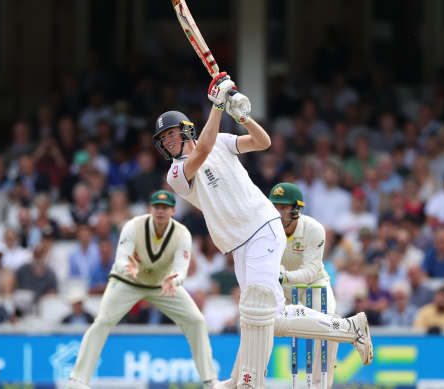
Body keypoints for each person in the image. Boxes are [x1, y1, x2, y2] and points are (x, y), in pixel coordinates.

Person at [152, 73, 372, 389]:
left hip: (261, 227)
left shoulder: (222, 141)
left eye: (173, 134)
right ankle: (350, 328)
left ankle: (248, 382)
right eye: (165, 140)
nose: (169, 142)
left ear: (187, 130)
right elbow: (201, 153)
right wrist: (217, 106)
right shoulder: (175, 174)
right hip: (238, 242)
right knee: (267, 316)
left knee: (256, 306)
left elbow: (262, 142)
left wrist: (242, 117)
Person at [66, 190, 218, 389]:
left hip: (161, 285)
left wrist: (176, 280)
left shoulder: (182, 234)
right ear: (150, 209)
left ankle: (210, 381)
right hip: (127, 282)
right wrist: (127, 267)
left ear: (173, 210)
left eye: (164, 208)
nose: (160, 211)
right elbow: (121, 258)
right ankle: (77, 380)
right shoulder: (133, 226)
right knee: (103, 321)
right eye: (156, 207)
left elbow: (181, 269)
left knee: (196, 320)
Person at [268, 182, 338, 389]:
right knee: (258, 321)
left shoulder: (313, 229)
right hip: (281, 288)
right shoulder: (266, 229)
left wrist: (282, 276)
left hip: (313, 284)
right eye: (275, 207)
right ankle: (250, 379)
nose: (279, 213)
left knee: (329, 322)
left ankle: (319, 385)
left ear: (296, 208)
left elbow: (309, 271)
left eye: (284, 207)